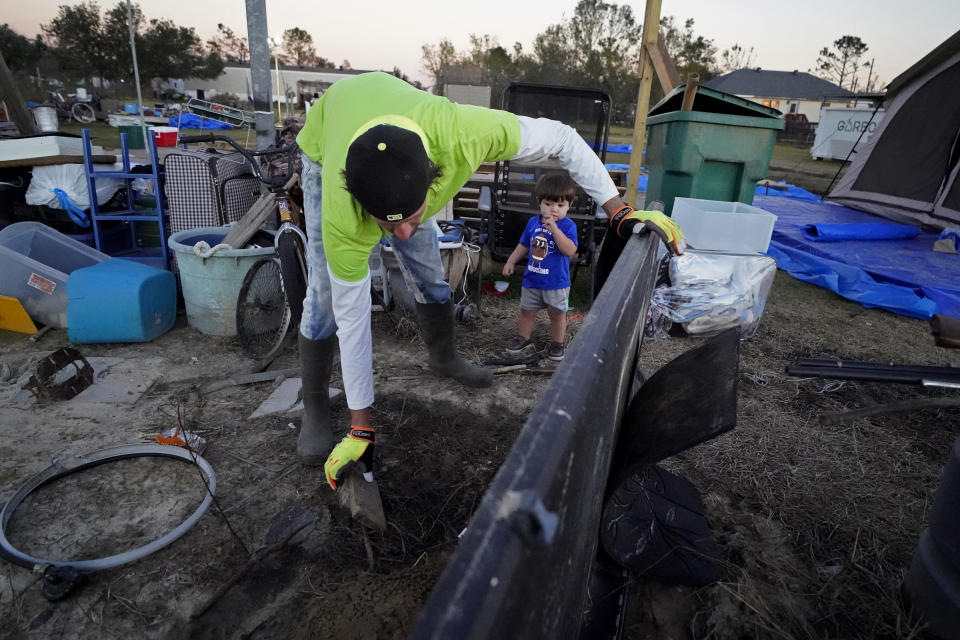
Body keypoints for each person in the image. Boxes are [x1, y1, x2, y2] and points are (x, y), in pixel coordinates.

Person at [293, 71, 684, 490]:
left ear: (433, 175)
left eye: (411, 218)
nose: (403, 233)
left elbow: (565, 139)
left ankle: (442, 357)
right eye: (388, 225)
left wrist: (619, 211)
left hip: (400, 129)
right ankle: (315, 403)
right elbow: (352, 321)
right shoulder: (342, 209)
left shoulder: (465, 133)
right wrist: (361, 427)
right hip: (326, 143)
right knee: (324, 296)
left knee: (427, 267)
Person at [502, 172, 579, 362]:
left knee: (557, 314)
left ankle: (557, 343)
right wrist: (511, 261)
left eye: (560, 205)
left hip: (556, 282)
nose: (554, 209)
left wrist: (555, 229)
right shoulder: (532, 223)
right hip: (532, 279)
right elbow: (524, 245)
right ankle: (523, 337)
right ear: (540, 202)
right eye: (548, 204)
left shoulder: (568, 226)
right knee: (527, 311)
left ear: (569, 206)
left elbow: (569, 250)